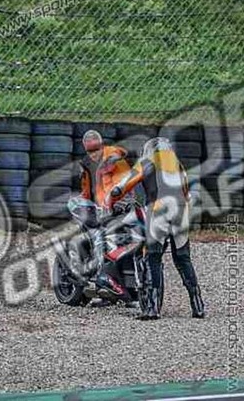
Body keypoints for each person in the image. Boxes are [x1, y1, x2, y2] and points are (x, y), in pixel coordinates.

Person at [108, 137, 205, 320]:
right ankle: (198, 305)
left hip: (159, 211)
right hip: (181, 212)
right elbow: (188, 195)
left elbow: (121, 187)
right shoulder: (178, 165)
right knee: (183, 258)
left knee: (153, 257)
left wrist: (111, 201)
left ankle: (152, 309)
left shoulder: (146, 162)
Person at [77, 130, 135, 306]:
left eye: (96, 149)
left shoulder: (114, 158)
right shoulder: (86, 165)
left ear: (102, 146)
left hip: (121, 209)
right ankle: (104, 291)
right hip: (102, 210)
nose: (93, 154)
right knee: (98, 239)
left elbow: (128, 183)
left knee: (115, 243)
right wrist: (84, 204)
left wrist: (123, 204)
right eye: (90, 151)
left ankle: (124, 289)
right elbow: (87, 190)